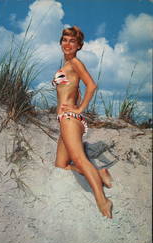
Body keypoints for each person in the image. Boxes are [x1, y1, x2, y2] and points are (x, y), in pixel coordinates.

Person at [52, 26, 113, 219]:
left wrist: (78, 109)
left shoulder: (76, 63)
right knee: (61, 164)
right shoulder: (65, 65)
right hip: (64, 120)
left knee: (79, 159)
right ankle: (99, 173)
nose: (67, 44)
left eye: (72, 41)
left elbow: (92, 85)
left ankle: (103, 200)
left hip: (70, 119)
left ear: (79, 45)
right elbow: (73, 89)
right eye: (64, 39)